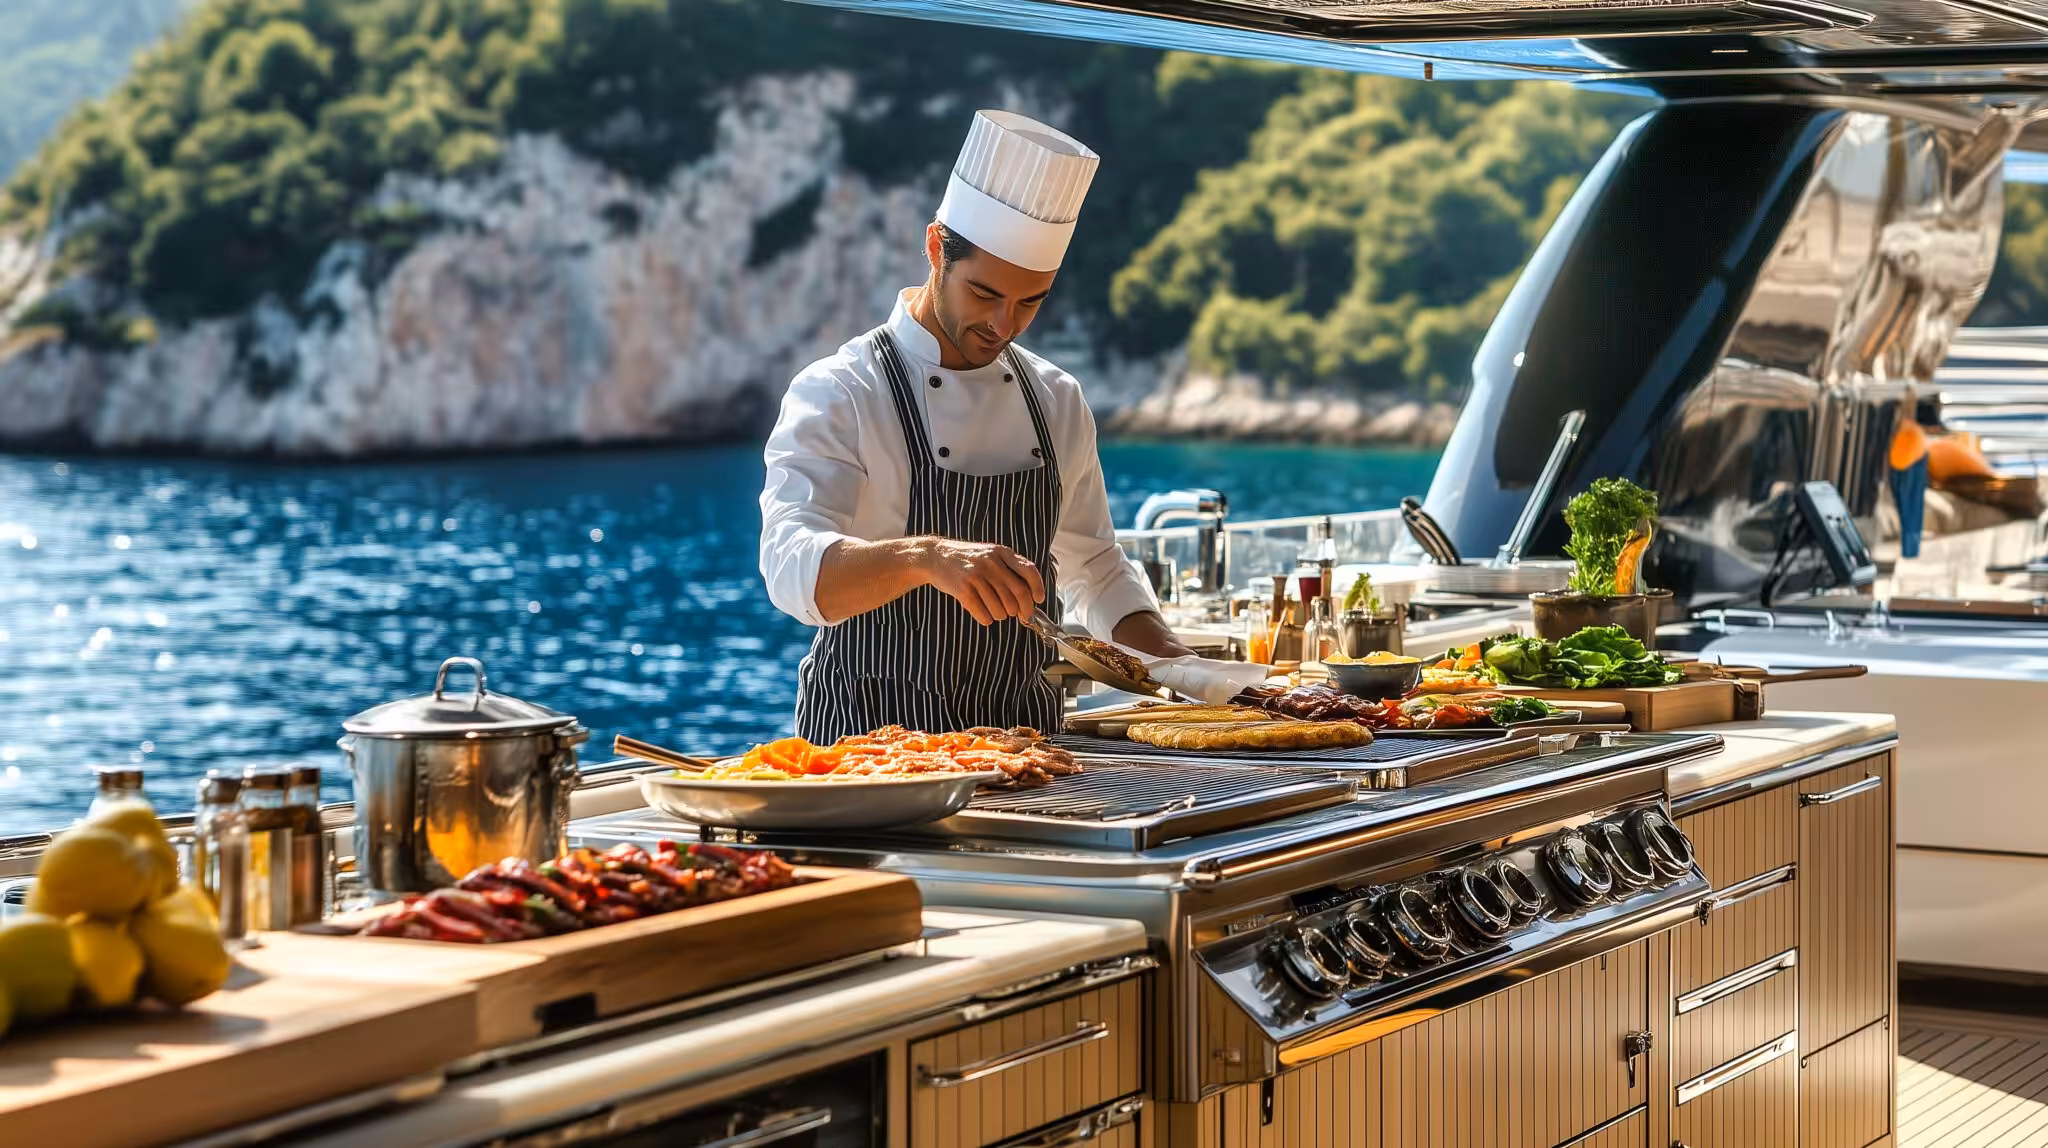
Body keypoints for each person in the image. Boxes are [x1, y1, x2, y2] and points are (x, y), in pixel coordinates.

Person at [760, 109, 1193, 742]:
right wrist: (926, 558)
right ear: (936, 248)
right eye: (985, 294)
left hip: (1027, 747)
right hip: (868, 752)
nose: (1004, 324)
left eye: (1030, 302)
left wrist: (1184, 669)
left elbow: (1094, 567)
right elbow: (790, 570)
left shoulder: (1056, 399)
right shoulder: (842, 391)